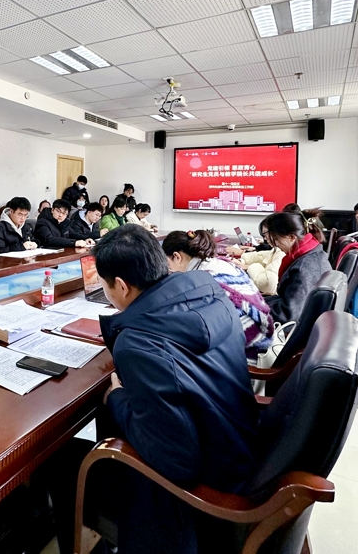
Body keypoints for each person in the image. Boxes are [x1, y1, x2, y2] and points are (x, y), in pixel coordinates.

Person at [45, 225, 258, 554]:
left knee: (62, 458)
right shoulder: (208, 291)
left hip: (198, 491)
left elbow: (177, 461)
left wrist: (117, 398)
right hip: (236, 442)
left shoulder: (138, 343)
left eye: (104, 285)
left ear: (121, 286)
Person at [164, 229, 274, 363]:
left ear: (177, 257)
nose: (170, 271)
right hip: (263, 338)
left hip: (247, 351)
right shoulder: (220, 263)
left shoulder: (201, 281)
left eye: (168, 265)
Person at [261, 211, 331, 323]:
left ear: (292, 237)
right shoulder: (314, 252)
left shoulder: (303, 268)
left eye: (276, 239)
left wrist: (251, 309)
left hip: (295, 326)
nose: (276, 245)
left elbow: (288, 315)